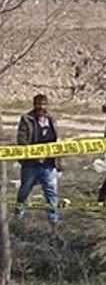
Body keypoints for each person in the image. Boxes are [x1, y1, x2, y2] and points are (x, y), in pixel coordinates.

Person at [15, 94, 61, 225]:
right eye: (38, 104)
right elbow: (22, 140)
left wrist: (59, 160)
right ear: (34, 104)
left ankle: (53, 221)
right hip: (31, 165)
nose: (41, 107)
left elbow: (57, 140)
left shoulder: (51, 119)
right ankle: (18, 218)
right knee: (24, 191)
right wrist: (35, 155)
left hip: (49, 164)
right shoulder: (27, 119)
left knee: (51, 193)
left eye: (43, 104)